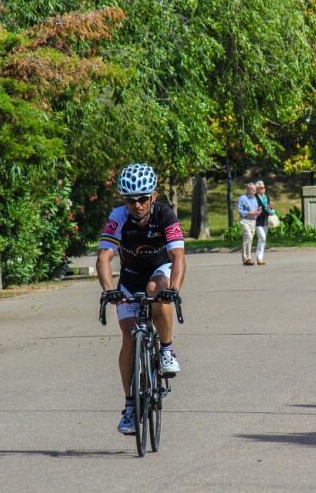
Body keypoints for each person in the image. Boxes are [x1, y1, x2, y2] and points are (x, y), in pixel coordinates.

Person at [96, 163, 186, 435]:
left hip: (160, 270)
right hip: (130, 276)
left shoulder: (165, 215)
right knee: (129, 336)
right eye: (131, 200)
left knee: (155, 290)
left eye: (143, 198)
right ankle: (130, 405)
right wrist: (109, 289)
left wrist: (175, 289)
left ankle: (167, 349)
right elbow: (104, 257)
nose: (137, 205)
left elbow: (178, 257)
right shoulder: (118, 216)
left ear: (153, 197)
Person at [237, 182, 262, 266]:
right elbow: (240, 211)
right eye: (252, 190)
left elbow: (255, 210)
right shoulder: (242, 198)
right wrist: (249, 213)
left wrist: (258, 211)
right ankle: (247, 258)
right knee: (249, 237)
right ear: (247, 189)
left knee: (248, 239)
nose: (254, 192)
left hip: (253, 221)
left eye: (255, 190)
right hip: (245, 220)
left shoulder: (254, 198)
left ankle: (246, 259)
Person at [253, 180, 275, 265]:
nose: (263, 189)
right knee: (262, 238)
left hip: (265, 220)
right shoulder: (255, 197)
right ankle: (259, 258)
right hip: (257, 221)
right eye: (261, 188)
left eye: (264, 187)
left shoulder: (266, 197)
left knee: (263, 240)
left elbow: (269, 206)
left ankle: (260, 258)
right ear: (257, 189)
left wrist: (271, 209)